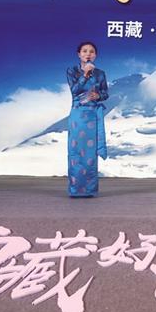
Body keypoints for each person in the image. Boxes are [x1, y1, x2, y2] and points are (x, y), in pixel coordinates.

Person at [66, 41, 108, 197]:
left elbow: (105, 93)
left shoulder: (100, 73)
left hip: (92, 116)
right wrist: (85, 74)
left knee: (90, 154)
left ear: (95, 55)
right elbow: (74, 90)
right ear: (79, 54)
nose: (88, 54)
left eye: (91, 51)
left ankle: (90, 190)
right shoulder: (72, 71)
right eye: (84, 51)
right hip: (78, 115)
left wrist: (98, 96)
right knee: (76, 152)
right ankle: (75, 189)